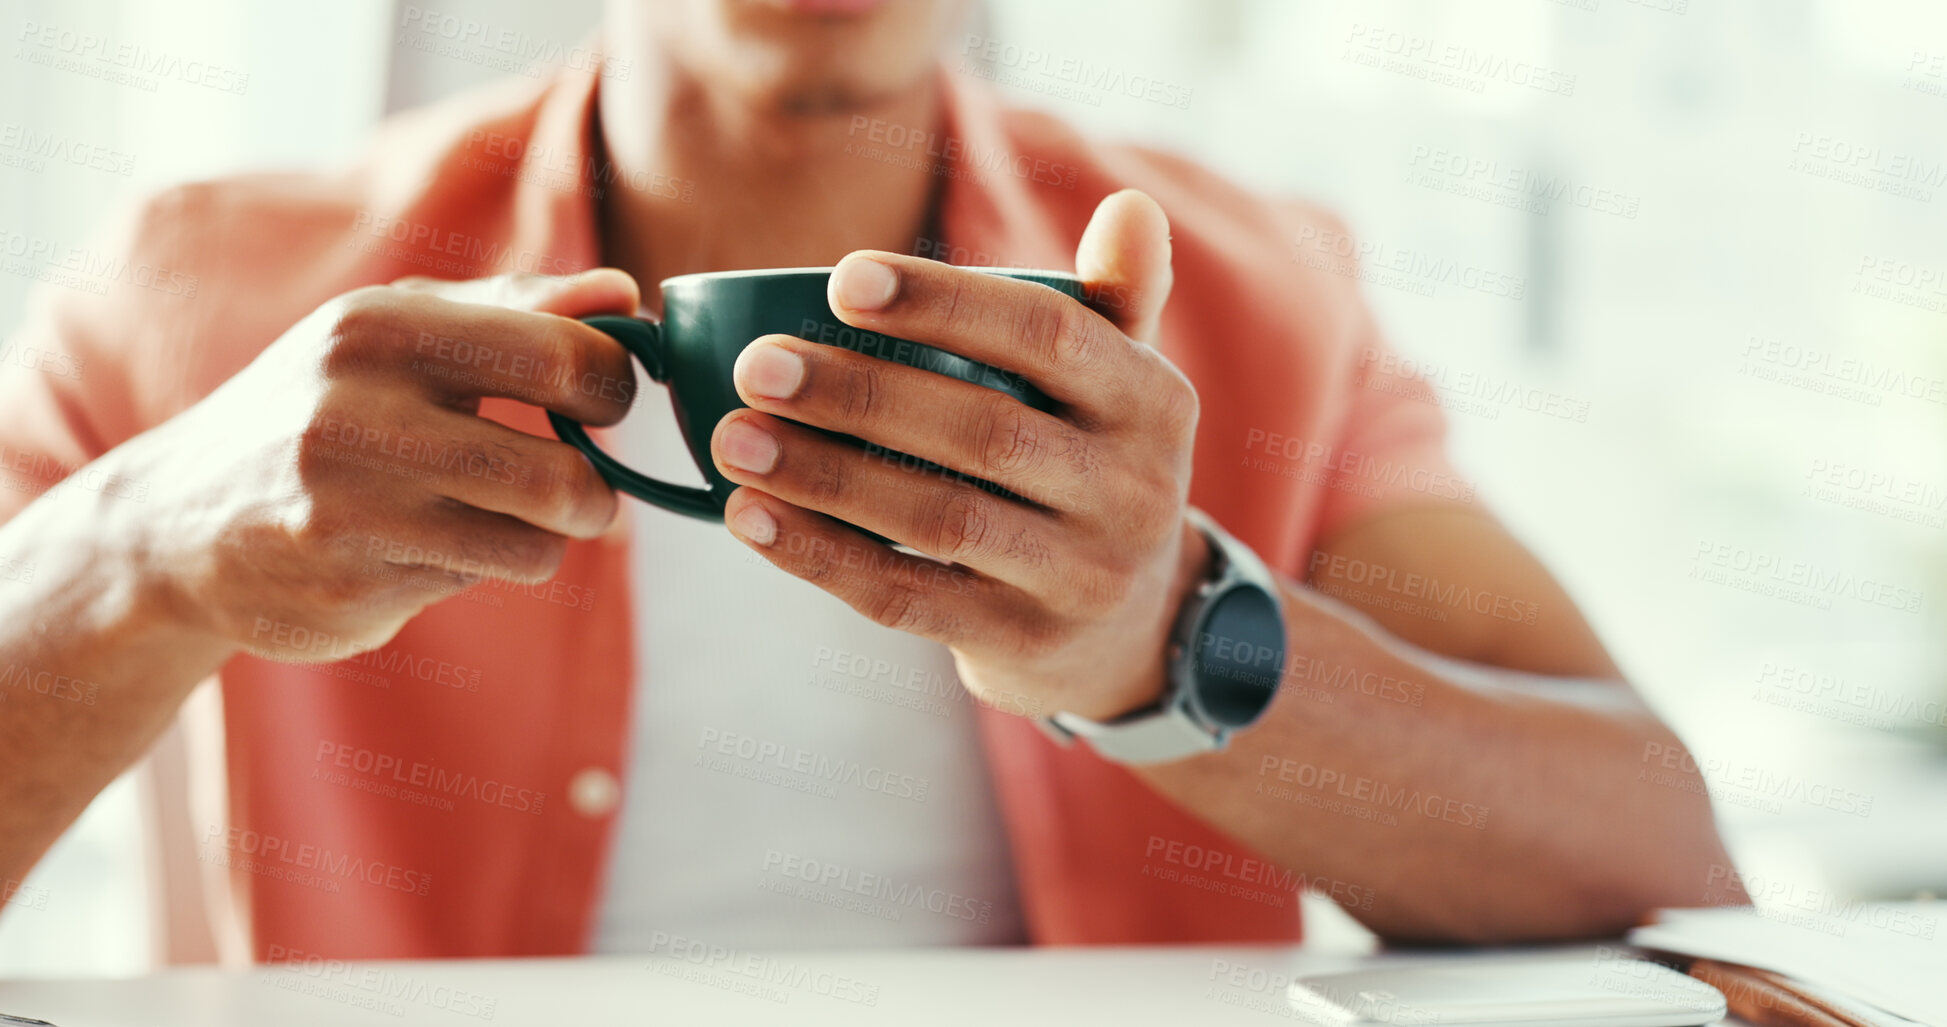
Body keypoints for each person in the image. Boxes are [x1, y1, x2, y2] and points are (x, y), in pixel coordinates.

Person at [0, 0, 1739, 961]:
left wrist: (1163, 646)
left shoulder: (1260, 293)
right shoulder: (205, 295)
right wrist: (138, 550)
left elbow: (1655, 855)